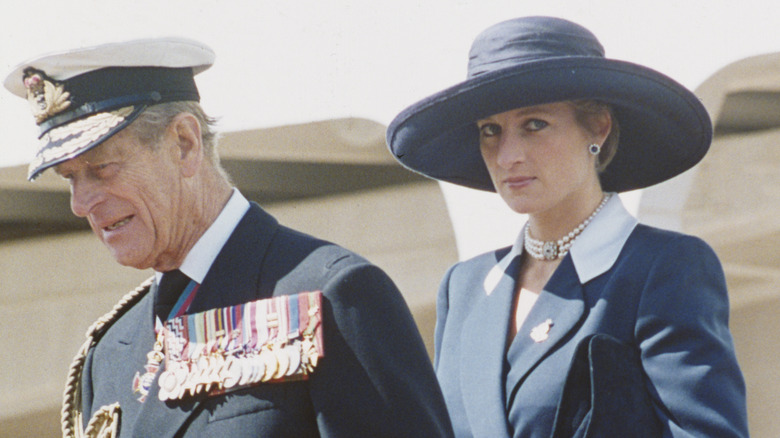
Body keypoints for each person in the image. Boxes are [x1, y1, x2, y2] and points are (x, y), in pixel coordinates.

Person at [5, 37, 453, 437]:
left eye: (101, 169)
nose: (80, 203)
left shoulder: (329, 295)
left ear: (184, 143)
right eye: (70, 179)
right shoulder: (110, 351)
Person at [387, 16, 749, 438]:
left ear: (598, 126)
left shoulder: (663, 268)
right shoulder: (464, 289)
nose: (507, 156)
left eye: (534, 125)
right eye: (491, 130)